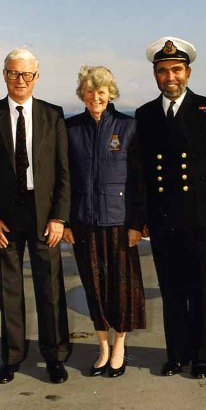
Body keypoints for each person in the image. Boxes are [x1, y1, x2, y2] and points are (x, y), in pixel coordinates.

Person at [128, 37, 206, 379]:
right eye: (162, 71)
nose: (169, 77)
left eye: (176, 69)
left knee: (200, 288)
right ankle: (175, 354)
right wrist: (141, 216)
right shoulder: (145, 114)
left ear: (187, 72)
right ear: (155, 75)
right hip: (162, 217)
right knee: (170, 288)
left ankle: (200, 356)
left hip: (199, 216)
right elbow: (140, 171)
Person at [0, 46, 71, 384]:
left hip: (43, 214)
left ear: (36, 77)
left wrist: (59, 217)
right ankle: (12, 357)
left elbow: (63, 170)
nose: (20, 80)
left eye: (26, 74)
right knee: (9, 288)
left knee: (50, 288)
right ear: (4, 75)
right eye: (13, 73)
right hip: (4, 217)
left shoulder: (52, 115)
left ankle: (55, 357)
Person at [63, 66, 146, 378]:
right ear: (82, 94)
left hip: (119, 222)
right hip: (84, 221)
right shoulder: (70, 128)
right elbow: (64, 178)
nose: (95, 97)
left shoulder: (128, 126)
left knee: (121, 288)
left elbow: (139, 180)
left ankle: (120, 345)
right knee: (94, 287)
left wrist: (137, 223)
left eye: (101, 91)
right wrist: (66, 222)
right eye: (89, 91)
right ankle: (102, 347)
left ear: (111, 94)